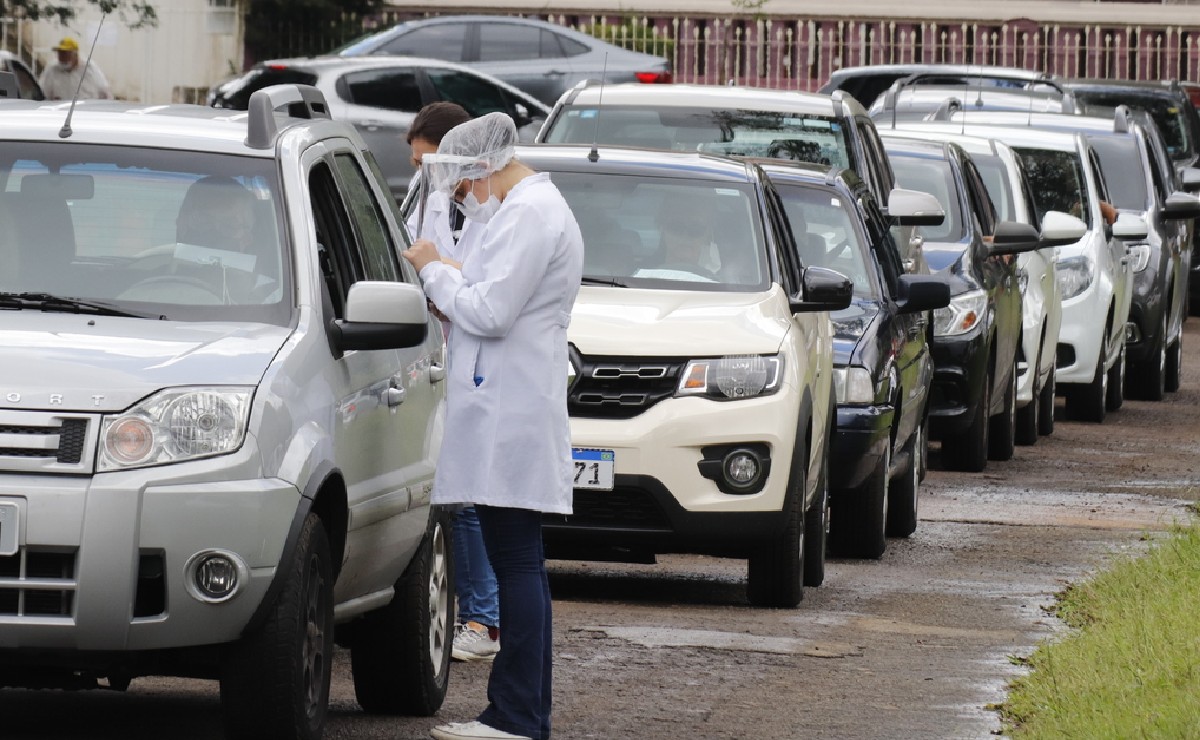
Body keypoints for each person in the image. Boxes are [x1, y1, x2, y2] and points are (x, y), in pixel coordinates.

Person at [402, 111, 584, 740]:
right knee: (519, 562)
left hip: (514, 411)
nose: (465, 198)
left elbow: (489, 308)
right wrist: (449, 272)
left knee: (516, 564)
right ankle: (520, 713)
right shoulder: (524, 211)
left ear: (483, 168)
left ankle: (517, 718)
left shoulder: (533, 212)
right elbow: (484, 282)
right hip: (511, 403)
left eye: (464, 184)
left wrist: (431, 268)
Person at [407, 101, 503, 664]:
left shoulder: (496, 211)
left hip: (471, 363)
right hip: (443, 359)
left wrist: (434, 268)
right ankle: (479, 616)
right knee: (458, 499)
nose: (425, 176)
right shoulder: (436, 198)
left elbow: (484, 288)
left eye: (429, 163)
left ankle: (483, 619)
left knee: (467, 500)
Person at [39, 37, 111, 101]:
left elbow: (104, 91)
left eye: (66, 54)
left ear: (75, 55)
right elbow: (43, 92)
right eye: (60, 54)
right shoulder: (52, 69)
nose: (62, 58)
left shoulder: (89, 68)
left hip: (85, 111)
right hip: (60, 112)